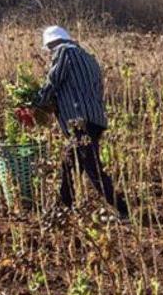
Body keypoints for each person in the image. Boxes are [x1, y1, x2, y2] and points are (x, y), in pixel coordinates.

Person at [32, 26, 129, 221]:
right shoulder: (88, 58)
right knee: (69, 163)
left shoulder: (64, 52)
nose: (50, 54)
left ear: (52, 44)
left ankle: (122, 210)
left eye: (49, 49)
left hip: (79, 121)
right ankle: (62, 207)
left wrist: (37, 102)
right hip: (94, 118)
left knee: (92, 167)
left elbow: (53, 81)